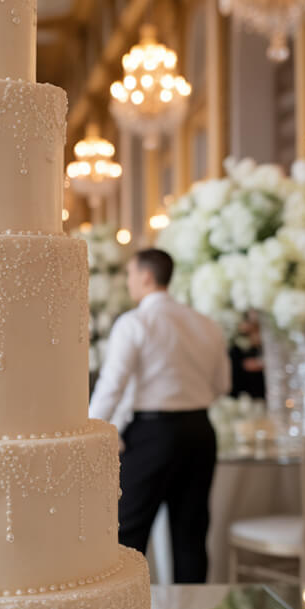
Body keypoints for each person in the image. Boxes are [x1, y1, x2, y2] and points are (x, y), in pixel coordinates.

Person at [88, 248, 230, 583]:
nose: (128, 282)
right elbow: (223, 385)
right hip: (200, 432)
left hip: (153, 435)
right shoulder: (206, 323)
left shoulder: (135, 322)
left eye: (130, 274)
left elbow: (111, 387)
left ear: (147, 277)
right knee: (191, 537)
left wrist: (91, 433)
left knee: (127, 536)